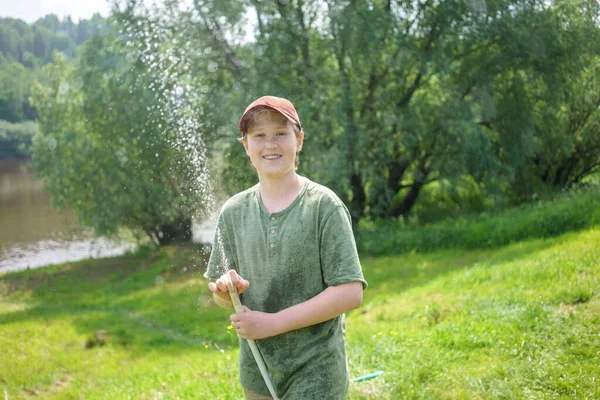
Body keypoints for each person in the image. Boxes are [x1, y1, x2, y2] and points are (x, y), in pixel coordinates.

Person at [204, 95, 367, 400]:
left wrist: (272, 324)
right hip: (257, 368)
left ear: (299, 140)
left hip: (316, 369)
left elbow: (350, 292)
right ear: (245, 146)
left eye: (281, 133)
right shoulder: (233, 212)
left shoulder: (324, 206)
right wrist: (226, 290)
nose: (270, 143)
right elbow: (222, 298)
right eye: (259, 135)